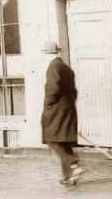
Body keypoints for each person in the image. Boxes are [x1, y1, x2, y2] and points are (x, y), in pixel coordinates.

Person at [41, 41, 84, 187]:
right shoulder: (66, 68)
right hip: (68, 108)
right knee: (64, 142)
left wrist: (48, 105)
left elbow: (53, 89)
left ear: (48, 54)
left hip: (56, 110)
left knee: (52, 139)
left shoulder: (53, 67)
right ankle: (69, 177)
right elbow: (74, 91)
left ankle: (74, 165)